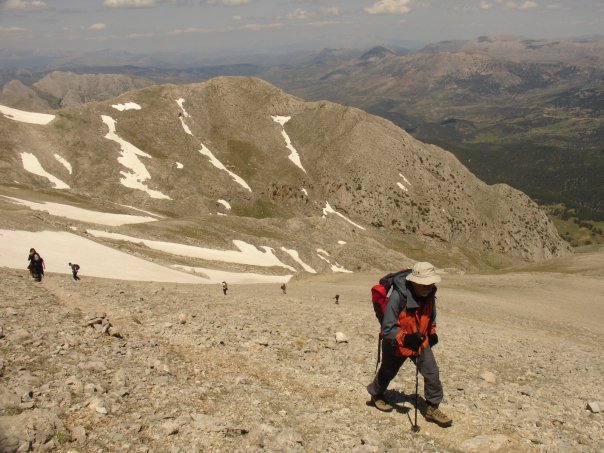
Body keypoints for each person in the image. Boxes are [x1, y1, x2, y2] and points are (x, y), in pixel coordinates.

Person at [367, 262, 452, 427]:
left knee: (432, 373)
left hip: (420, 341)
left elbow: (431, 316)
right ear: (414, 282)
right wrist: (405, 338)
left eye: (431, 283)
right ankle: (376, 394)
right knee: (387, 371)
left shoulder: (429, 294)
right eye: (426, 283)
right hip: (396, 343)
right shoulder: (398, 297)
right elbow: (387, 328)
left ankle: (432, 408)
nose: (430, 286)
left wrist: (432, 333)